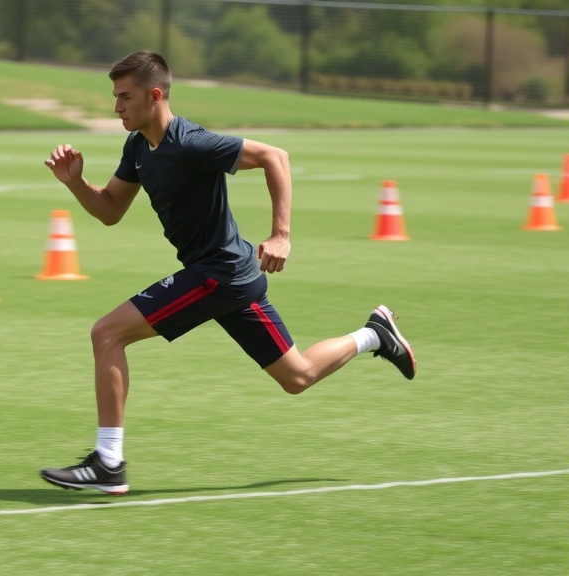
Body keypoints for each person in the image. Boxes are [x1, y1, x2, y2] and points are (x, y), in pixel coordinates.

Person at [39, 50, 415, 495]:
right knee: (297, 377)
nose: (116, 107)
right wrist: (75, 182)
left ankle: (108, 462)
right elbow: (110, 210)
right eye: (115, 97)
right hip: (229, 276)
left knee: (107, 333)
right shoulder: (139, 147)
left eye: (125, 97)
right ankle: (375, 333)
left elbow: (275, 156)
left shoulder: (191, 143)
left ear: (155, 96)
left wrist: (281, 235)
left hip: (217, 274)